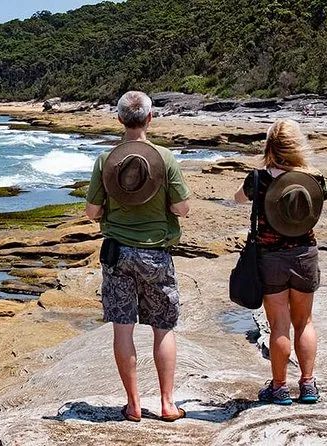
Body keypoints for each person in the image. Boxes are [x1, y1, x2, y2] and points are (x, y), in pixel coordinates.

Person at [85, 91, 191, 422]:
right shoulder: (165, 158)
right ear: (149, 118)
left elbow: (92, 212)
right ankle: (167, 404)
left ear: (119, 119)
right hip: (156, 254)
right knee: (163, 328)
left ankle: (133, 405)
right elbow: (182, 208)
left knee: (123, 328)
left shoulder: (106, 160)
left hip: (117, 254)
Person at [234, 119, 327, 405]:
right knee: (305, 322)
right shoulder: (314, 178)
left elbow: (239, 199)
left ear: (269, 146)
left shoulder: (259, 178)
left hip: (270, 257)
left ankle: (279, 387)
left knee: (278, 326)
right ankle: (308, 385)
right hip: (304, 254)